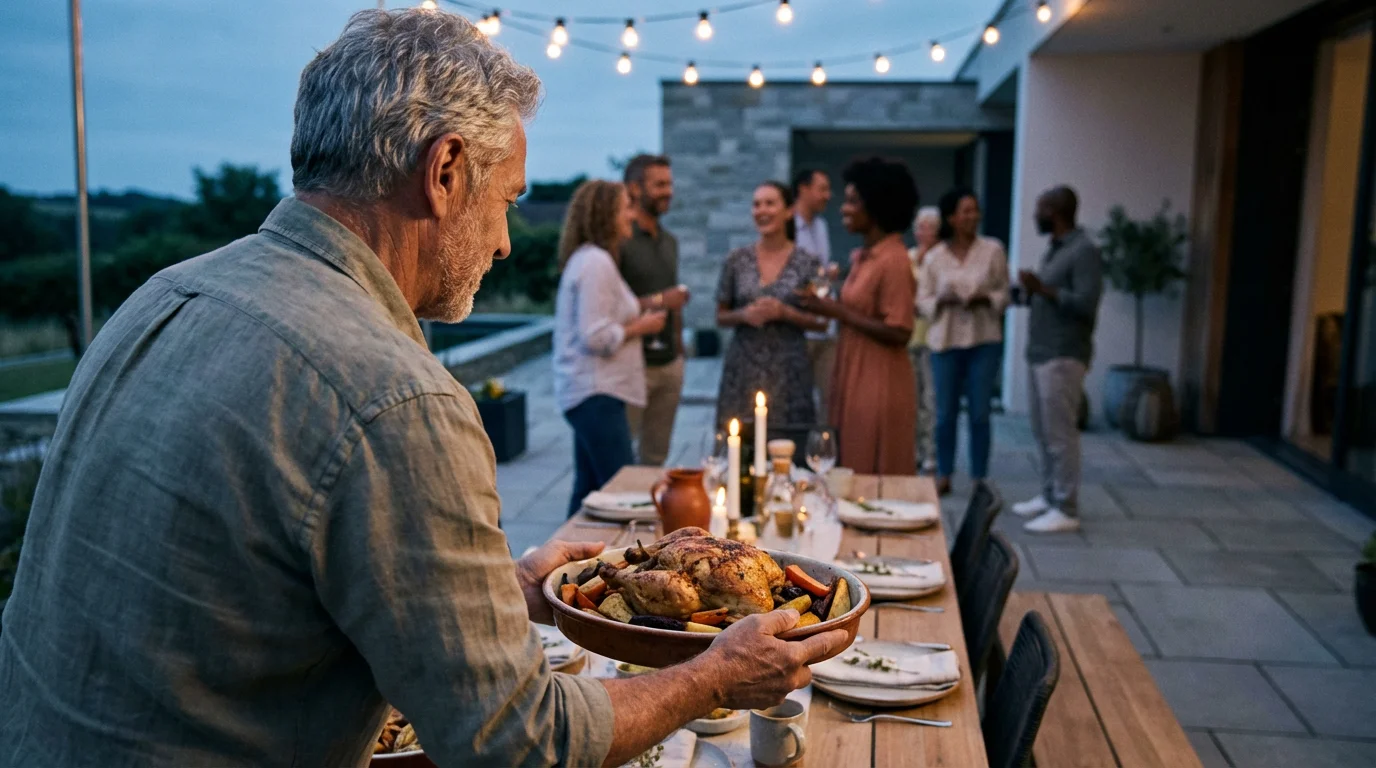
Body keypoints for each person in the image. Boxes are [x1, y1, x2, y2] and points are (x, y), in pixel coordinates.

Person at [0, 11, 846, 767]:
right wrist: (713, 676)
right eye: (507, 201)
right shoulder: (398, 400)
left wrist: (503, 594)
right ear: (444, 173)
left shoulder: (162, 293)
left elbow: (239, 591)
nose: (509, 244)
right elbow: (518, 742)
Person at [554, 181, 670, 517]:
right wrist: (643, 327)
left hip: (590, 394)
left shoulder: (590, 259)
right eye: (625, 207)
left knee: (588, 493)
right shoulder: (596, 263)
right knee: (623, 493)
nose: (631, 215)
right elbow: (595, 336)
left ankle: (567, 560)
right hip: (596, 393)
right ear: (607, 214)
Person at [797, 158, 918, 475]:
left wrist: (834, 311)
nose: (843, 208)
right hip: (854, 368)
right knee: (847, 456)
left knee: (869, 463)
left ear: (875, 206)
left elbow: (900, 330)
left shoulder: (893, 260)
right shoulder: (865, 256)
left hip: (878, 378)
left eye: (852, 201)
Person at [1011, 186, 1104, 533]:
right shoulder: (1056, 249)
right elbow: (1046, 295)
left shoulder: (1084, 251)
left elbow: (1085, 303)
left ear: (1056, 211)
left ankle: (1066, 506)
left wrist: (1042, 289)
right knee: (1043, 430)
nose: (1036, 216)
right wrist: (1026, 293)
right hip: (1041, 352)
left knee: (1060, 434)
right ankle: (1049, 496)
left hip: (1064, 354)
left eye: (1040, 209)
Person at [918, 187, 1010, 496]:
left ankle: (979, 476)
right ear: (952, 217)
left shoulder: (993, 250)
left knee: (980, 412)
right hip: (946, 342)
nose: (972, 216)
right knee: (944, 413)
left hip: (983, 339)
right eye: (965, 211)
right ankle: (944, 471)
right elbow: (923, 301)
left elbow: (1004, 293)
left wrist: (985, 297)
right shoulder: (935, 257)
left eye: (975, 210)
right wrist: (942, 300)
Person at [715, 181, 827, 429]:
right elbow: (720, 316)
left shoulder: (809, 263)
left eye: (770, 203)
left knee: (788, 447)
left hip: (790, 372)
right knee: (739, 446)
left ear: (788, 211)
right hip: (742, 370)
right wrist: (743, 314)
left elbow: (822, 322)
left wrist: (784, 312)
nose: (761, 210)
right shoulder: (736, 260)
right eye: (756, 204)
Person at [619, 154, 689, 466]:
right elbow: (607, 305)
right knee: (618, 460)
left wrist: (680, 355)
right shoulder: (619, 240)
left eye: (669, 184)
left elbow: (674, 302)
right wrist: (661, 300)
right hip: (630, 365)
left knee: (655, 458)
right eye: (659, 184)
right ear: (634, 189)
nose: (668, 191)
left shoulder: (670, 241)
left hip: (668, 364)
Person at [792, 168, 838, 422]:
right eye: (822, 188)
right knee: (798, 399)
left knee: (830, 400)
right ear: (803, 189)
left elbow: (818, 274)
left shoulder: (821, 226)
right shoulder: (788, 226)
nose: (828, 195)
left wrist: (826, 275)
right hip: (799, 329)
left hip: (825, 326)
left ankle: (823, 452)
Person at [908, 206, 940, 473]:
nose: (923, 232)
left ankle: (931, 452)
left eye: (929, 227)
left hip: (933, 336)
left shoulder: (941, 259)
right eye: (920, 227)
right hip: (910, 335)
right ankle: (914, 450)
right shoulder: (908, 258)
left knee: (931, 399)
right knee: (912, 399)